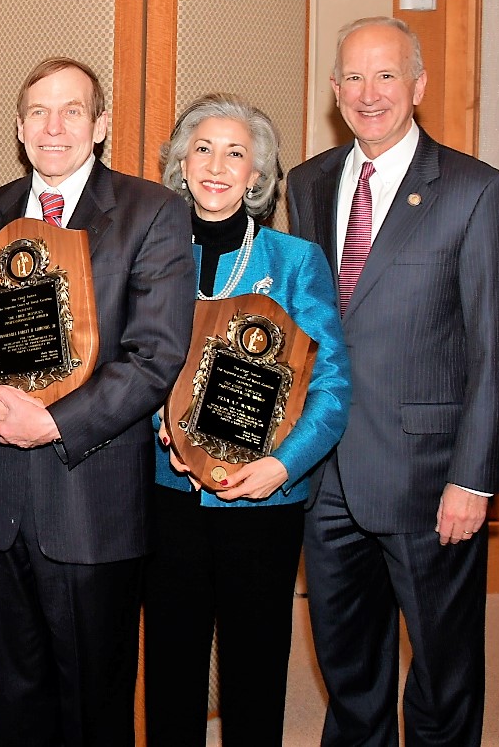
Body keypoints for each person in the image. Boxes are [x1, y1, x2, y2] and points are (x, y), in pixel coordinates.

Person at [0, 56, 194, 746]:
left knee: (95, 701)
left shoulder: (151, 215)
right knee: (13, 695)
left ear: (99, 124)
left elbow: (155, 356)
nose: (53, 127)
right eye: (38, 113)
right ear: (19, 128)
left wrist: (51, 422)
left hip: (93, 502)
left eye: (71, 111)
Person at [288, 16, 499, 747]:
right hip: (323, 474)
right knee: (346, 664)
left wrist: (472, 480)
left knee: (442, 670)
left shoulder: (475, 191)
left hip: (428, 479)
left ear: (417, 86)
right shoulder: (306, 183)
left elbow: (493, 345)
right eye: (352, 77)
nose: (368, 93)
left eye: (385, 75)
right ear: (333, 90)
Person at [142, 94, 350, 745]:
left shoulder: (294, 262)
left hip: (264, 502)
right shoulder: (150, 253)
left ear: (257, 175)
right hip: (166, 494)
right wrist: (160, 419)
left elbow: (332, 383)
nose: (215, 165)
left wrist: (280, 466)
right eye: (201, 148)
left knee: (254, 674)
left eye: (235, 153)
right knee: (171, 672)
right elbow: (128, 359)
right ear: (179, 164)